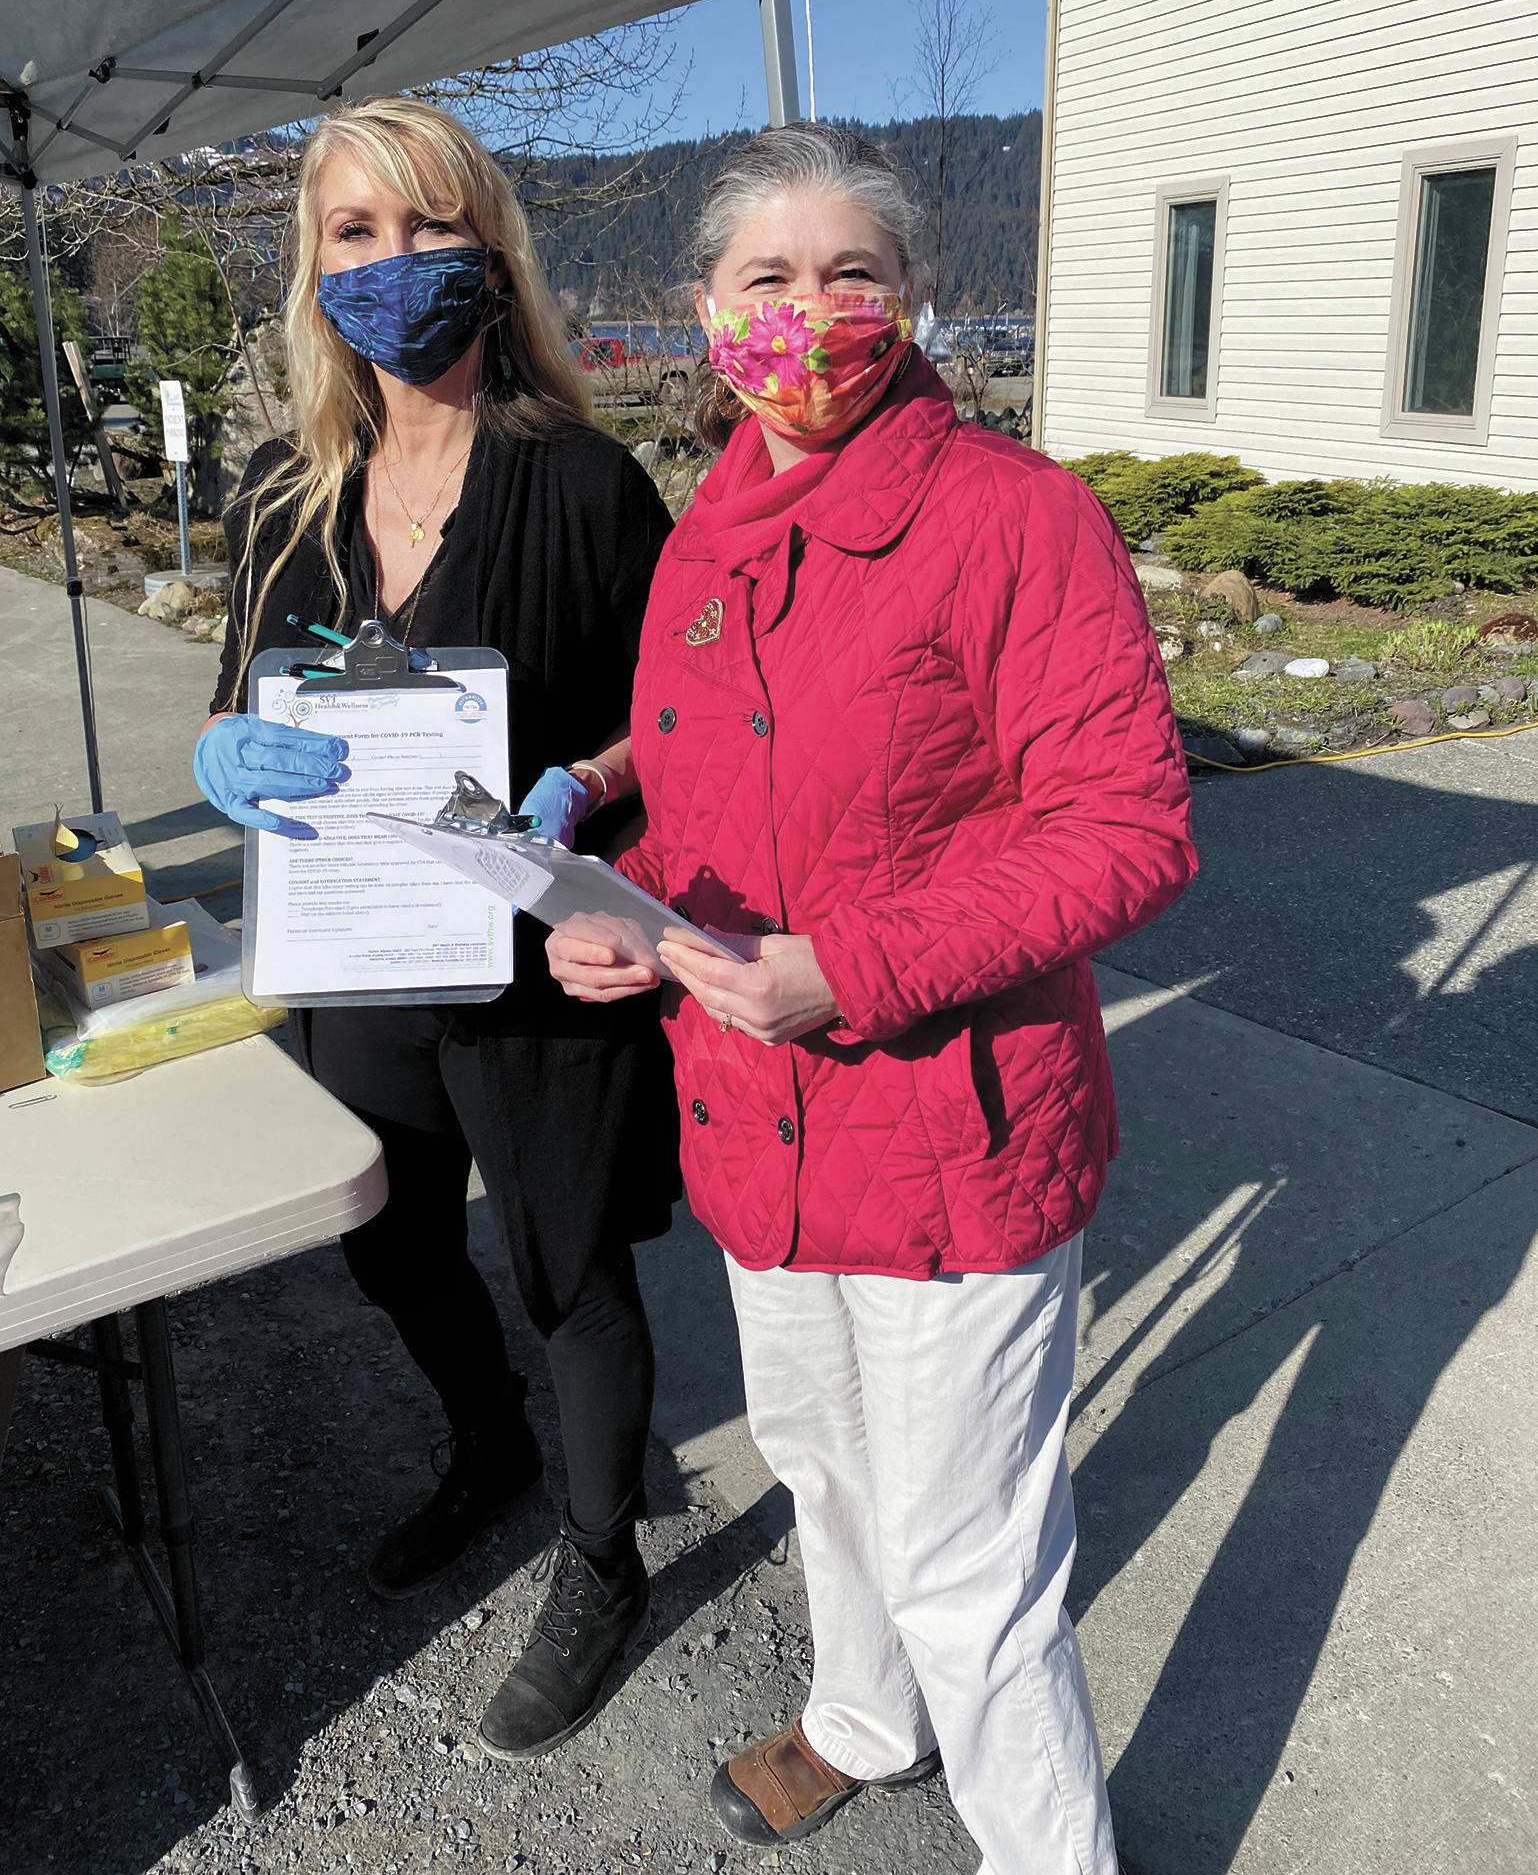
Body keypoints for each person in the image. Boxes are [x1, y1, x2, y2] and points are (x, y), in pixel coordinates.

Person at [547, 123, 1196, 1870]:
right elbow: (704, 810)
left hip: (948, 1131)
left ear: (912, 303)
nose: (810, 313)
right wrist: (621, 914)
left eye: (854, 276)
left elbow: (1127, 831)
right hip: (756, 1122)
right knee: (817, 1470)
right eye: (768, 278)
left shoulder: (1014, 519)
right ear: (702, 311)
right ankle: (857, 1719)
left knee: (966, 1560)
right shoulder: (703, 542)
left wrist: (849, 968)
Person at [195, 95, 678, 1759]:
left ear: (490, 249)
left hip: (534, 952)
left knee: (566, 1265)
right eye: (354, 232)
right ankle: (487, 1448)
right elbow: (239, 700)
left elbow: (678, 719)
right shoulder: (282, 492)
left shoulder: (588, 481)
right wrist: (223, 752)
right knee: (390, 1237)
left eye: (426, 226)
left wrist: (585, 780)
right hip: (358, 946)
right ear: (312, 269)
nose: (393, 263)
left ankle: (602, 1562)